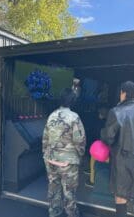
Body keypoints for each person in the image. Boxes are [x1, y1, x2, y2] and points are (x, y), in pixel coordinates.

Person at [101, 81, 134, 217]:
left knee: (121, 198)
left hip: (121, 162)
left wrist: (102, 134)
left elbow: (108, 137)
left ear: (124, 93)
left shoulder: (116, 112)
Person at [42, 88, 86, 217]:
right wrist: (81, 155)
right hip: (68, 161)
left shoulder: (51, 116)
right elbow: (80, 141)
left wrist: (46, 154)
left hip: (50, 159)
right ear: (73, 101)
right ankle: (71, 213)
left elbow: (45, 138)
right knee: (69, 190)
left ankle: (54, 211)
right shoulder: (74, 117)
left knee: (54, 187)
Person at [85, 106, 109, 188]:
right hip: (110, 151)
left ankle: (92, 180)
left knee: (93, 157)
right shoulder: (110, 124)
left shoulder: (99, 124)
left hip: (102, 151)